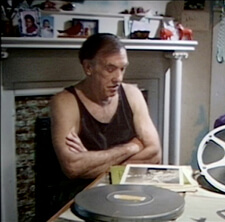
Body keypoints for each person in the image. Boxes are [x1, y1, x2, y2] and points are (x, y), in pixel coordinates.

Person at [50, 33, 162, 181]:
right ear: (88, 67)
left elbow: (155, 154)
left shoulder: (133, 94)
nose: (119, 78)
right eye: (110, 69)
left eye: (122, 69)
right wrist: (131, 147)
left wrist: (92, 162)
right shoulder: (65, 102)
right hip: (86, 194)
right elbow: (73, 166)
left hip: (127, 188)